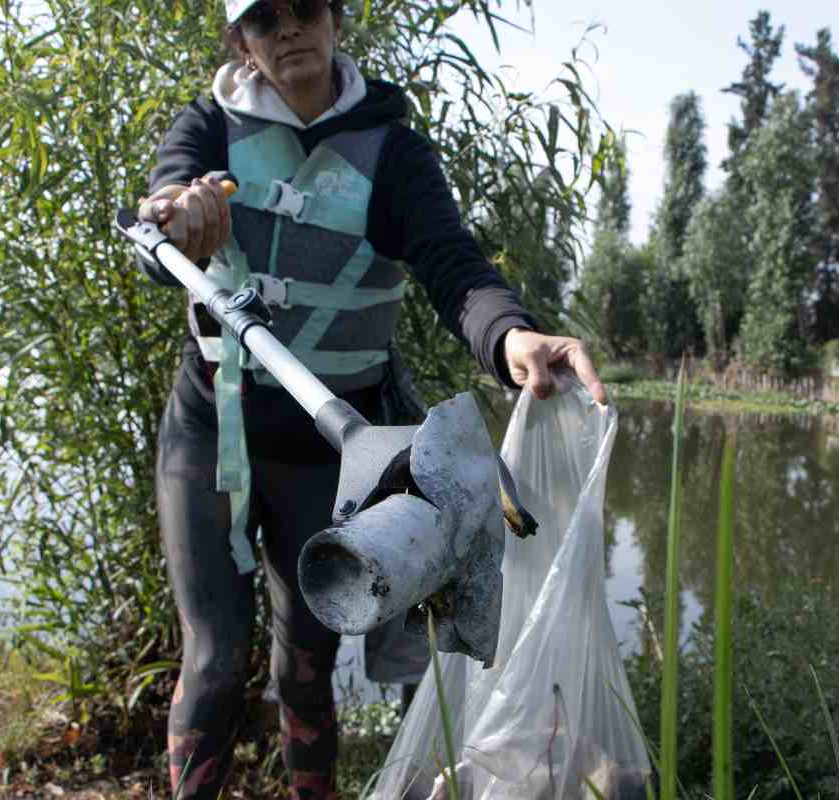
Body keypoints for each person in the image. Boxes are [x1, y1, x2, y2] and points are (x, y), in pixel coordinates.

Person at [134, 0, 606, 797]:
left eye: (305, 7)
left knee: (308, 668)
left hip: (329, 449)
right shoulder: (208, 127)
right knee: (213, 663)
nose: (287, 29)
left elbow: (453, 264)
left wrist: (512, 338)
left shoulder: (392, 150)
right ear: (241, 43)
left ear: (337, 21)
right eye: (262, 17)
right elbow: (157, 220)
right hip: (213, 432)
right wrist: (176, 219)